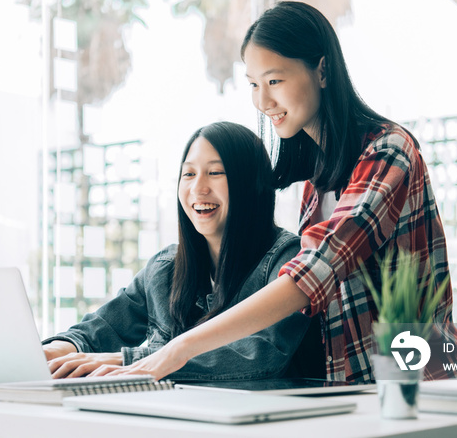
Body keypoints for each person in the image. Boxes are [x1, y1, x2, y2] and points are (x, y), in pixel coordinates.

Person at [97, 1, 457, 384]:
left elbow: (312, 275)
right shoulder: (317, 180)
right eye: (254, 85)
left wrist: (178, 350)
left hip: (422, 381)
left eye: (274, 81)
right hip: (356, 387)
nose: (262, 101)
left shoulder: (389, 151)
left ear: (322, 70)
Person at [42, 121, 310, 381]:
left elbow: (259, 355)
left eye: (215, 173)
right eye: (189, 174)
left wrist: (134, 362)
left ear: (251, 183)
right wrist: (52, 351)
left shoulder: (288, 259)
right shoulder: (165, 268)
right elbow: (102, 330)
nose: (198, 188)